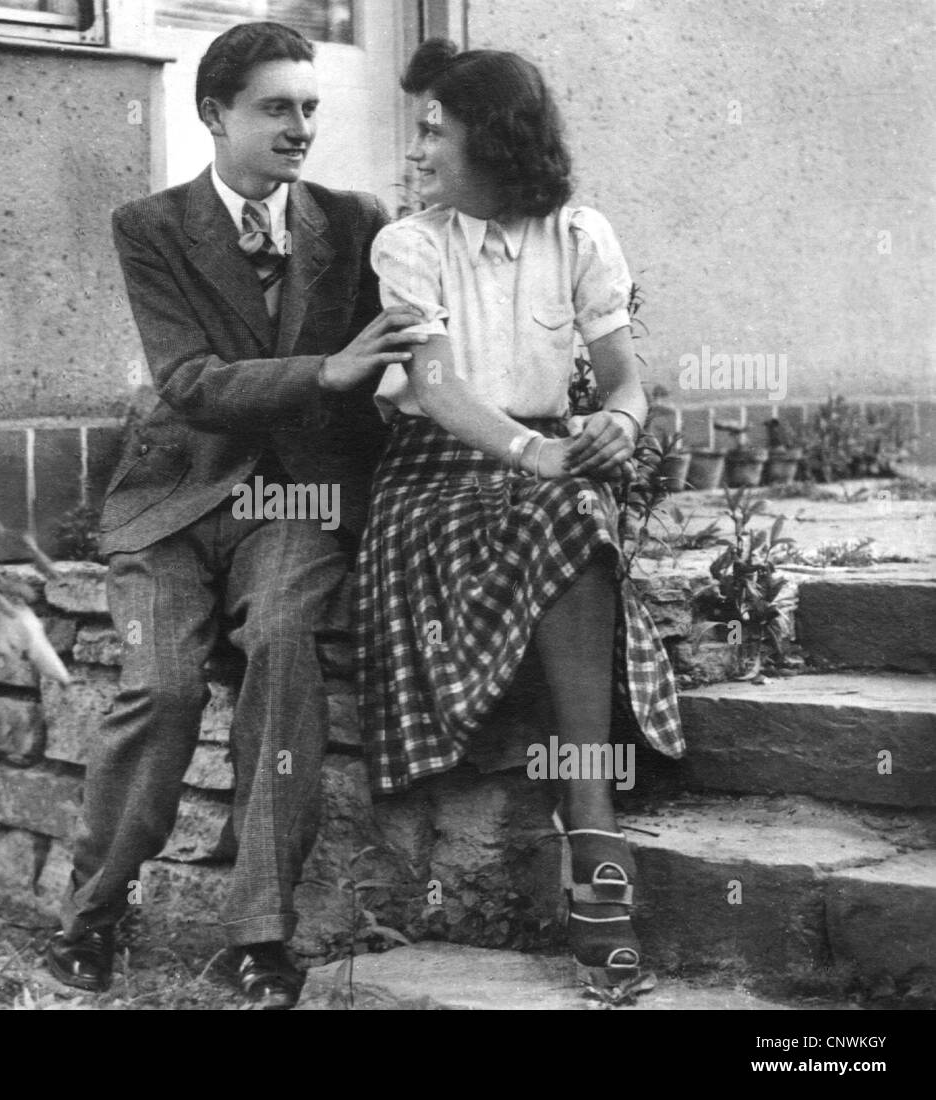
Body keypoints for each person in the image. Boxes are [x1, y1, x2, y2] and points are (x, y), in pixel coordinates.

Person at [46, 21, 424, 1010]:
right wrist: (329, 370)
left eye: (309, 108)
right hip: (174, 497)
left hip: (295, 497)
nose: (300, 127)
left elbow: (417, 348)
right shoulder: (152, 224)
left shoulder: (353, 220)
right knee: (162, 684)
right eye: (275, 108)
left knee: (286, 641)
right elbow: (188, 380)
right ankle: (92, 914)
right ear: (213, 114)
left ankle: (263, 933)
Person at [356, 39, 685, 988]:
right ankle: (597, 837)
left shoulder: (579, 236)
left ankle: (590, 825)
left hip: (546, 470)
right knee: (567, 504)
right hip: (432, 478)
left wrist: (618, 426)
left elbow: (623, 380)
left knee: (575, 504)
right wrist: (538, 452)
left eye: (436, 133)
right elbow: (441, 391)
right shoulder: (409, 245)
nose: (418, 153)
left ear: (493, 143)